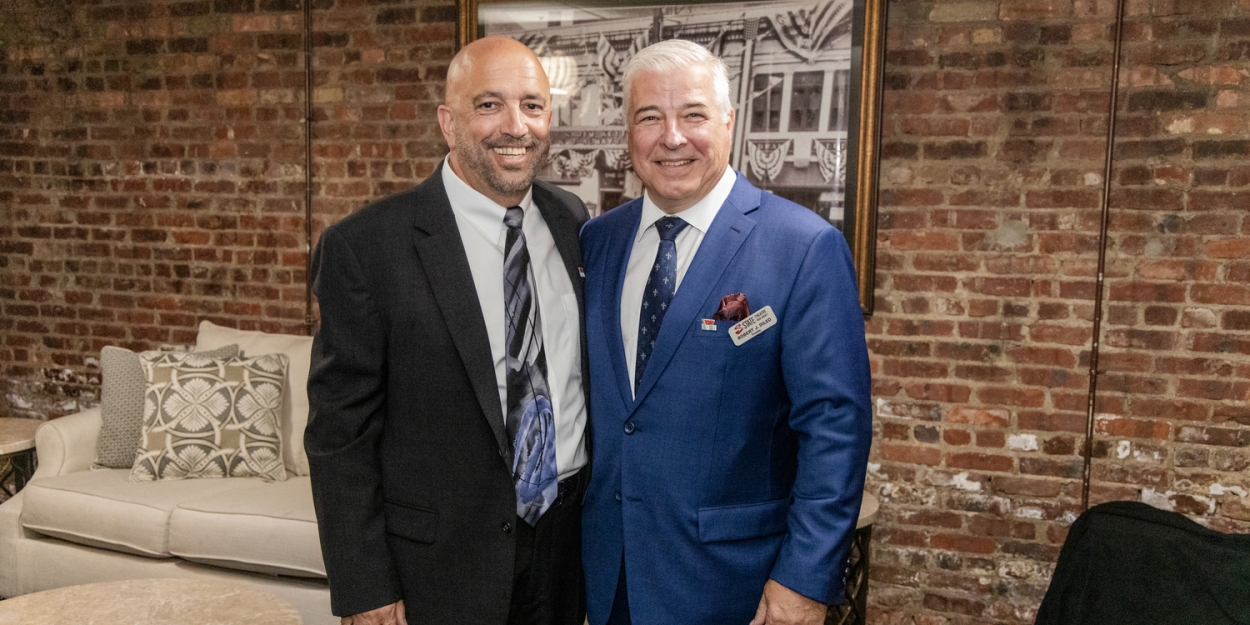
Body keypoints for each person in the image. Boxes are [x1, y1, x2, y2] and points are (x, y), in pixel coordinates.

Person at [578, 39, 873, 625]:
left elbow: (835, 429)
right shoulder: (598, 241)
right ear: (627, 133)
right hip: (608, 579)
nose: (672, 136)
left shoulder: (803, 247)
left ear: (729, 121)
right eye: (649, 117)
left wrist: (804, 579)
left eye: (693, 114)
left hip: (737, 586)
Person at [306, 36, 589, 625]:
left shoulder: (571, 221)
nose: (516, 126)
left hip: (566, 557)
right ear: (448, 121)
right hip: (439, 570)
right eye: (489, 105)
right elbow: (341, 434)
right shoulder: (367, 248)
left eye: (532, 106)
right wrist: (364, 586)